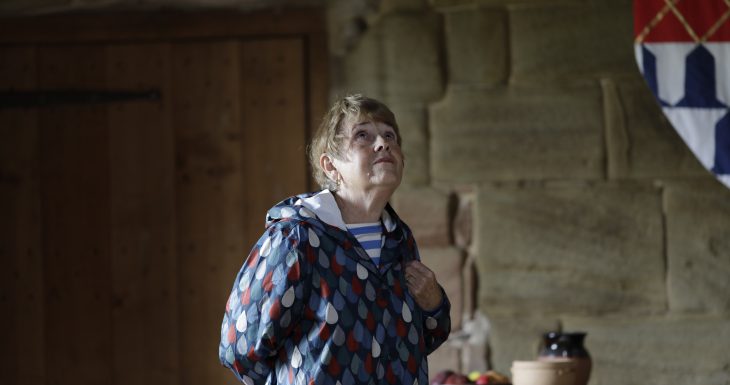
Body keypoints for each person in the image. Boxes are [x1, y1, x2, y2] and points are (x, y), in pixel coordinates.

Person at [219, 94, 451, 385]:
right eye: (363, 135)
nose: (383, 143)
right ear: (331, 166)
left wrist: (434, 304)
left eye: (390, 135)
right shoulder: (296, 238)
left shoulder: (400, 240)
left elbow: (415, 344)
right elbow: (238, 346)